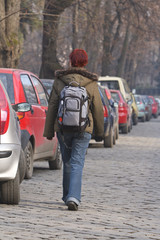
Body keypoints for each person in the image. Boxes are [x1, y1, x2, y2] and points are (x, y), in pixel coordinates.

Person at [43, 49, 104, 211]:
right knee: (77, 162)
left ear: (70, 61)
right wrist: (99, 132)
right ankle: (73, 197)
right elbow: (98, 108)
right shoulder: (91, 82)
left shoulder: (60, 80)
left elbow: (53, 106)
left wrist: (48, 131)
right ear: (85, 62)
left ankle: (67, 196)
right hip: (84, 129)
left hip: (63, 128)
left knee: (68, 161)